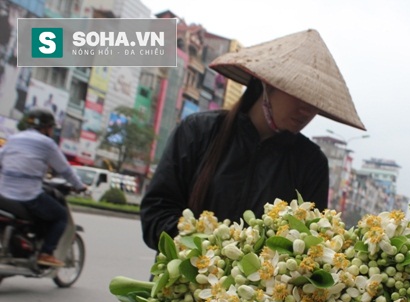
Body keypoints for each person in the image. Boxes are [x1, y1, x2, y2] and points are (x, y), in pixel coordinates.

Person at [140, 29, 366, 250]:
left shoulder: (311, 163)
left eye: (315, 101)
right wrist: (207, 250)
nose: (307, 110)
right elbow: (156, 214)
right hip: (189, 280)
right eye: (299, 94)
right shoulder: (198, 131)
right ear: (266, 83)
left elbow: (310, 242)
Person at [0, 108, 86, 267]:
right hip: (26, 195)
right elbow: (65, 169)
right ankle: (46, 253)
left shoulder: (13, 138)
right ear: (47, 128)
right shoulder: (46, 143)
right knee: (60, 216)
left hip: (3, 194)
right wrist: (79, 186)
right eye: (52, 128)